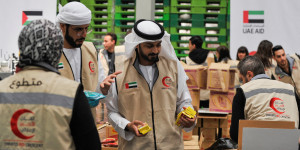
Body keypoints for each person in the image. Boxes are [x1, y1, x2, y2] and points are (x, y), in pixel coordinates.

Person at [0, 19, 101, 150]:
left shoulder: (2, 89)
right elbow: (90, 146)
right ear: (57, 50)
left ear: (23, 47)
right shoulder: (71, 92)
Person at [105, 19, 196, 149]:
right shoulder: (120, 71)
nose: (155, 50)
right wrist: (127, 125)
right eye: (149, 46)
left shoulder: (173, 67)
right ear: (137, 44)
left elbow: (184, 101)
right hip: (136, 146)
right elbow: (112, 111)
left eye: (158, 45)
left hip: (170, 145)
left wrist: (188, 116)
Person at [56, 2, 117, 122]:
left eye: (86, 29)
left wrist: (104, 89)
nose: (83, 34)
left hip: (88, 124)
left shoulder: (91, 50)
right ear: (63, 26)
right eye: (78, 29)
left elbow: (98, 90)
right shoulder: (50, 53)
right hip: (60, 125)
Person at [230, 56, 299, 143]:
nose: (242, 83)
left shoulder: (243, 91)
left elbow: (235, 134)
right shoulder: (290, 89)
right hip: (290, 143)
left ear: (249, 75)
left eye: (242, 79)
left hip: (256, 144)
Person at [185, 35, 216, 108]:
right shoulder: (210, 54)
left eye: (189, 44)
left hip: (194, 92)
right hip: (208, 92)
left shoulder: (188, 58)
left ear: (194, 45)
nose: (188, 46)